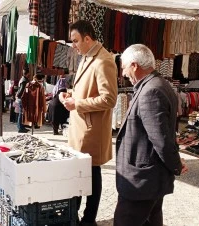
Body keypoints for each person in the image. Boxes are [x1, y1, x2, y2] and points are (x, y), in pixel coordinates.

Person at [114, 44, 188, 226]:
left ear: (134, 65)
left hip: (142, 182)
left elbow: (161, 138)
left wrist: (176, 165)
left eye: (123, 68)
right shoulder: (157, 85)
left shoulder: (151, 91)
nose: (123, 74)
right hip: (148, 179)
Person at [60, 20, 118, 225]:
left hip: (91, 130)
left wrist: (78, 103)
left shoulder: (104, 60)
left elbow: (109, 99)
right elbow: (87, 89)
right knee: (79, 173)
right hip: (80, 127)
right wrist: (70, 95)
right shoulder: (86, 57)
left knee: (91, 174)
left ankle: (88, 219)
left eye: (75, 41)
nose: (73, 45)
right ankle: (74, 215)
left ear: (87, 38)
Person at [16, 67, 31, 133]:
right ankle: (20, 128)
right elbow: (22, 90)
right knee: (21, 113)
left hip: (20, 98)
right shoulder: (24, 81)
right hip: (21, 99)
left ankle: (21, 126)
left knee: (21, 113)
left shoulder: (22, 79)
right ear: (27, 73)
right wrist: (19, 96)